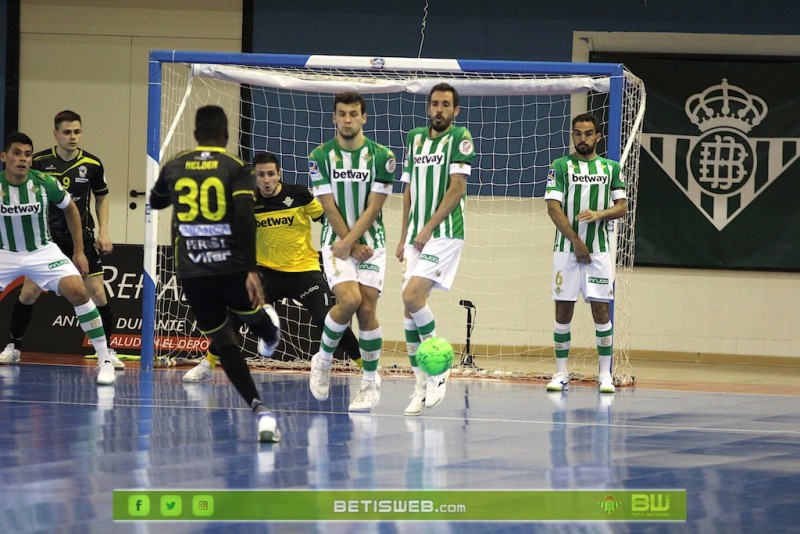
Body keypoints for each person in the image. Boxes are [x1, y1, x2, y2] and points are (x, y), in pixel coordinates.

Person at [149, 105, 282, 442]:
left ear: (195, 135)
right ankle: (269, 332)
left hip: (190, 270)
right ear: (226, 134)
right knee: (251, 317)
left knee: (224, 342)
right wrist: (251, 267)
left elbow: (157, 200)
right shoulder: (236, 167)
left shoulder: (176, 164)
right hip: (229, 265)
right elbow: (243, 216)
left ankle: (260, 410)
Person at [182, 151, 362, 382]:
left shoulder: (299, 195)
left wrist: (348, 241)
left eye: (270, 174)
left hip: (303, 271)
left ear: (279, 174)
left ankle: (364, 366)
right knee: (237, 313)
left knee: (328, 319)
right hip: (266, 273)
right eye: (260, 175)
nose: (266, 180)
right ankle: (208, 363)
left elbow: (327, 220)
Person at [0, 110, 122, 369]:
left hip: (79, 238)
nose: (73, 137)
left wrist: (103, 232)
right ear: (56, 134)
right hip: (47, 237)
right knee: (29, 292)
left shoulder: (92, 164)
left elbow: (98, 200)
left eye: (77, 131)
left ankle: (107, 352)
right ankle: (14, 346)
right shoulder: (41, 162)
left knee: (95, 292)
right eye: (67, 132)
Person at [307, 91, 396, 412]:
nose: (347, 119)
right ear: (334, 117)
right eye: (341, 113)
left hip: (373, 244)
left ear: (363, 117)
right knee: (350, 299)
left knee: (367, 310)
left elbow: (374, 207)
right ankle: (324, 360)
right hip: (336, 242)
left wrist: (356, 245)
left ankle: (369, 383)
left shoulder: (382, 156)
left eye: (353, 113)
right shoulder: (319, 156)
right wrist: (348, 244)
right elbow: (327, 207)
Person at [396, 82, 475, 416]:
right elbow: (409, 191)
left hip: (443, 232)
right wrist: (403, 236)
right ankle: (419, 386)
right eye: (434, 104)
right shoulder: (414, 138)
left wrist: (428, 228)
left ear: (455, 111)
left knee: (412, 297)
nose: (439, 109)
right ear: (428, 108)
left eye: (446, 104)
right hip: (416, 236)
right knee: (408, 310)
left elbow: (457, 188)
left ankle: (440, 369)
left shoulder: (460, 137)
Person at [543, 112, 627, 395]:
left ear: (597, 136)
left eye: (588, 133)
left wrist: (599, 214)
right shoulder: (560, 166)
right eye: (578, 133)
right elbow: (553, 208)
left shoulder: (611, 168)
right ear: (573, 136)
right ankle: (561, 373)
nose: (582, 138)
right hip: (566, 250)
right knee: (563, 310)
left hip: (600, 253)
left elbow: (622, 207)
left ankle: (604, 374)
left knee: (601, 311)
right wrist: (576, 240)